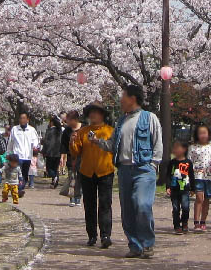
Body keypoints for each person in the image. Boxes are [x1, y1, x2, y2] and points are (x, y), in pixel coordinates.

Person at [99, 84, 162, 258]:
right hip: (124, 170)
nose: (120, 100)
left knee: (142, 204)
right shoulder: (121, 121)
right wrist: (97, 141)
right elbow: (112, 145)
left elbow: (157, 143)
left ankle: (147, 243)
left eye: (123, 96)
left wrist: (153, 165)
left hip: (143, 169)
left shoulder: (149, 118)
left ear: (132, 98)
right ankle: (135, 245)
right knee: (127, 210)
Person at [70, 102, 114, 247]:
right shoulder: (83, 131)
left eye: (97, 112)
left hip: (105, 171)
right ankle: (92, 235)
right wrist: (72, 142)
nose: (93, 115)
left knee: (105, 204)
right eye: (91, 112)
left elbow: (114, 149)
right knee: (89, 205)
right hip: (87, 172)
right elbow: (76, 152)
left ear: (102, 115)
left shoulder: (110, 131)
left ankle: (105, 235)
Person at [188, 124, 211, 232]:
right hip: (198, 175)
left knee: (207, 199)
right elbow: (189, 161)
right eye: (200, 133)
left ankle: (203, 221)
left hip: (210, 176)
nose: (203, 135)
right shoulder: (193, 147)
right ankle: (196, 222)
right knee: (199, 198)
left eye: (204, 133)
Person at [7, 112, 41, 196]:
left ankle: (20, 188)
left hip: (28, 156)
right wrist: (8, 153)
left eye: (24, 118)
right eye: (21, 118)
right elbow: (10, 142)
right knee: (18, 173)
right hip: (17, 155)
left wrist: (35, 146)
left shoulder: (31, 130)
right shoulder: (15, 129)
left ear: (27, 120)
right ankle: (18, 189)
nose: (22, 120)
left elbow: (36, 140)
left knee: (25, 175)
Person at [165, 139, 195, 233]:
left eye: (178, 147)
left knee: (185, 207)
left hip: (185, 189)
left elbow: (191, 176)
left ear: (184, 149)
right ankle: (177, 225)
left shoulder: (188, 162)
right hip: (174, 189)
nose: (175, 150)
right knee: (176, 208)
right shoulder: (172, 162)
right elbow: (168, 175)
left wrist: (193, 188)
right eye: (174, 148)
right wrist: (168, 187)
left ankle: (184, 223)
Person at [61, 110, 83, 206]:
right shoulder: (67, 131)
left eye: (69, 120)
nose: (67, 122)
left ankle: (78, 197)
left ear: (74, 120)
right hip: (71, 157)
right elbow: (63, 145)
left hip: (82, 157)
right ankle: (72, 198)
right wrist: (62, 157)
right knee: (72, 177)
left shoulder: (84, 128)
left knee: (81, 178)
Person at [41, 116, 63, 186]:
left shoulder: (49, 131)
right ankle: (55, 182)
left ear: (52, 122)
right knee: (55, 168)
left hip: (50, 153)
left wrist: (43, 151)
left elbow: (46, 142)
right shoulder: (60, 131)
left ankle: (54, 177)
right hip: (58, 153)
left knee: (49, 169)